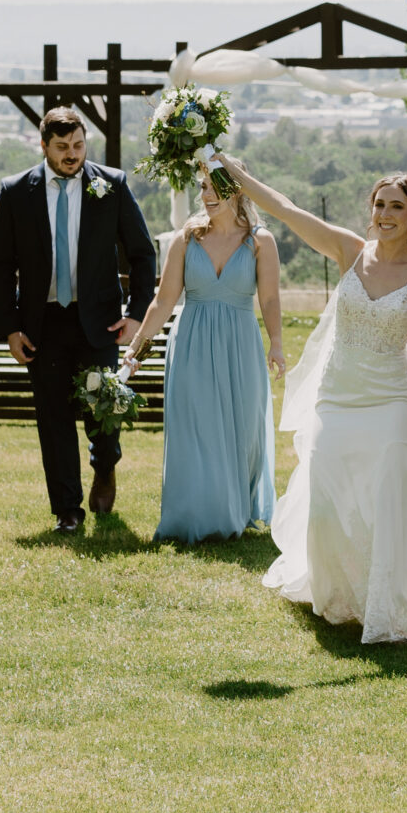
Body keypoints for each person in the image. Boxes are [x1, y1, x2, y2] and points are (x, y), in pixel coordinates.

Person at [218, 156, 407, 643]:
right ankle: (339, 594)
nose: (385, 214)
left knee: (384, 499)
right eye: (379, 204)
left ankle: (387, 605)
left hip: (393, 401)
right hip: (338, 396)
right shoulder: (349, 250)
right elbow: (285, 208)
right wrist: (235, 171)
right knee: (329, 504)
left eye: (396, 207)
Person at [0, 107, 158, 533]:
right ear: (43, 145)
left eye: (78, 145)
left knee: (103, 411)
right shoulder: (14, 192)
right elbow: (2, 265)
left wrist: (135, 315)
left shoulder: (112, 185)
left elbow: (142, 255)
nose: (72, 154)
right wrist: (9, 328)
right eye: (62, 147)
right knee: (53, 415)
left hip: (98, 320)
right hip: (41, 322)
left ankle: (104, 464)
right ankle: (67, 508)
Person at [119, 177, 282, 544]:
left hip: (240, 345)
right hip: (191, 342)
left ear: (237, 191)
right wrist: (137, 350)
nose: (205, 195)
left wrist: (277, 344)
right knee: (196, 429)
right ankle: (195, 514)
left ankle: (235, 508)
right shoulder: (186, 238)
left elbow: (270, 300)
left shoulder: (260, 241)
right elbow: (163, 301)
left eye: (214, 188)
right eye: (202, 187)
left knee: (244, 430)